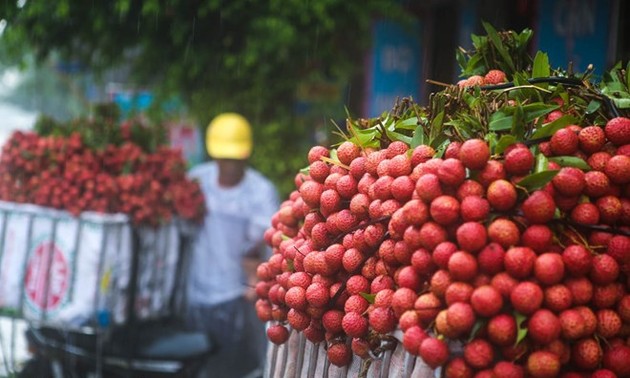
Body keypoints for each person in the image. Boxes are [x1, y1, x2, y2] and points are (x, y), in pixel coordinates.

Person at [185, 112, 279, 378]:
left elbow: (266, 245)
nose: (228, 165)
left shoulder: (261, 192)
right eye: (223, 158)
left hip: (237, 298)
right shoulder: (197, 181)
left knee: (234, 368)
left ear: (245, 156)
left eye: (234, 159)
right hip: (197, 293)